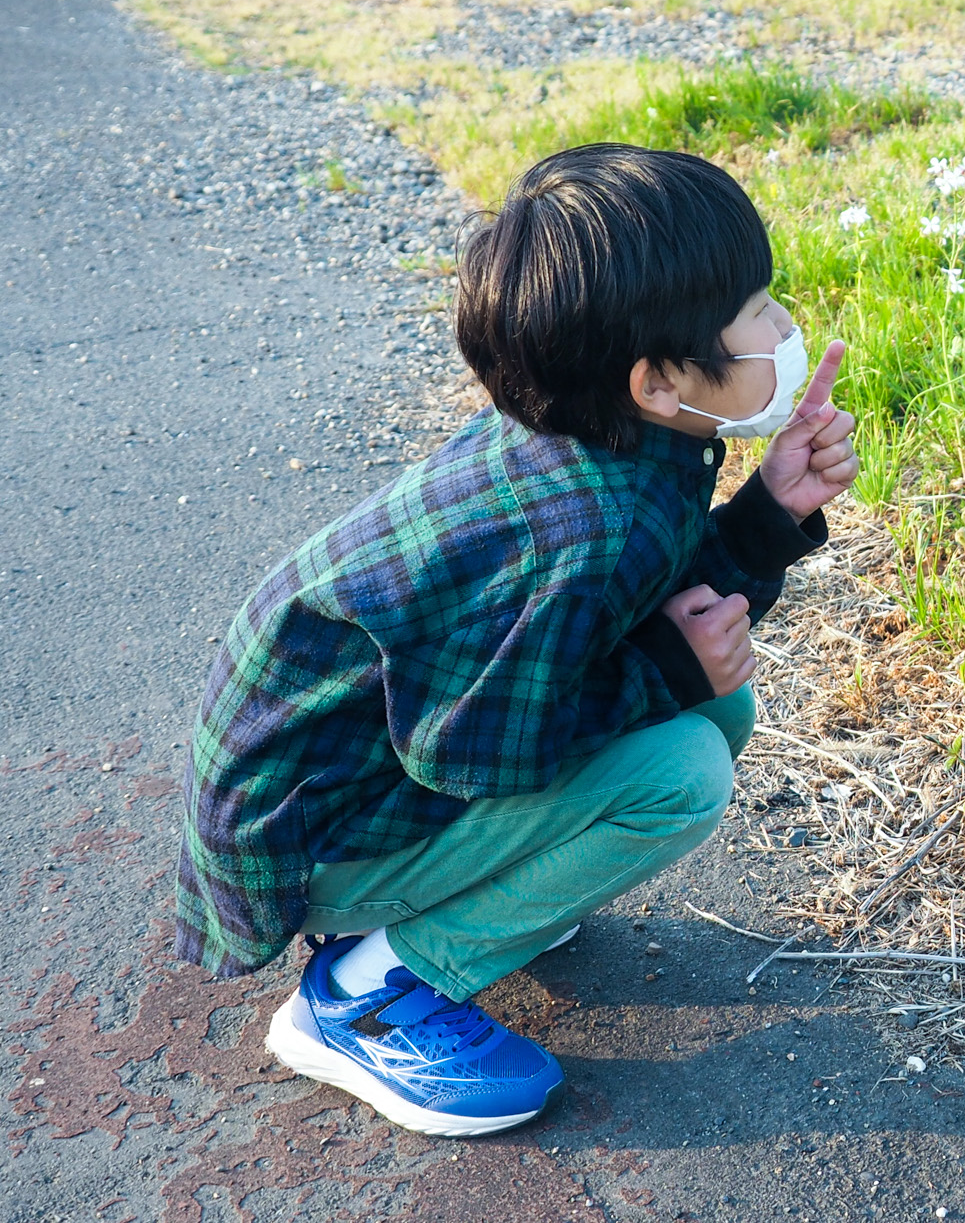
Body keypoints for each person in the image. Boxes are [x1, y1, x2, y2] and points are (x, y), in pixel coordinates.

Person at [174, 142, 858, 1137]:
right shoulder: (578, 527)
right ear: (658, 381)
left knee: (718, 703)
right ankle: (368, 990)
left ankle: (479, 898)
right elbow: (470, 749)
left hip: (342, 786)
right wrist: (669, 667)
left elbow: (632, 604)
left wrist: (766, 515)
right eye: (751, 309)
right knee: (682, 772)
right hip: (311, 842)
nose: (781, 322)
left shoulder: (601, 437)